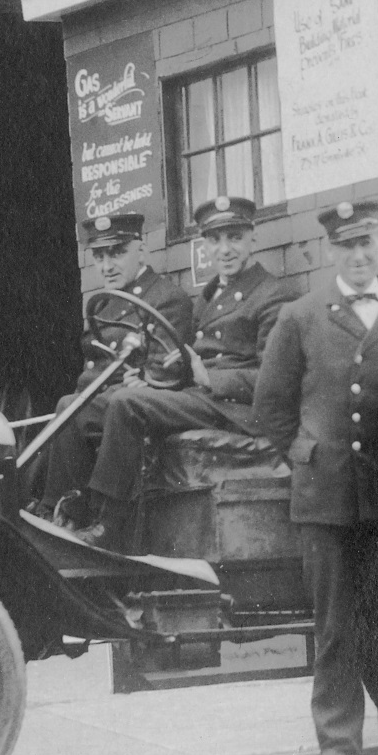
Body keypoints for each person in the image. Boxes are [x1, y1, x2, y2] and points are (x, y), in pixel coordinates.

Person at [254, 199, 378, 755]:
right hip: (330, 494)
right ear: (327, 252)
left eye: (367, 243)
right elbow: (271, 409)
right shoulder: (302, 316)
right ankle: (337, 748)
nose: (358, 255)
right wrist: (307, 454)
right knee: (336, 629)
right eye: (346, 246)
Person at [73, 196, 300, 551]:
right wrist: (153, 379)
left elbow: (276, 381)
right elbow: (187, 361)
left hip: (236, 410)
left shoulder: (274, 294)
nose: (224, 249)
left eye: (234, 237)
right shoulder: (211, 297)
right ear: (205, 245)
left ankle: (109, 526)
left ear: (253, 238)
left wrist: (210, 379)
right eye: (214, 240)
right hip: (202, 398)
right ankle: (66, 512)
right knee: (80, 407)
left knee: (127, 404)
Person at [31, 213, 193, 527]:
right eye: (100, 256)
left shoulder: (166, 299)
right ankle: (54, 509)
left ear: (141, 251)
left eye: (117, 253)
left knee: (70, 406)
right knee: (64, 411)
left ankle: (73, 514)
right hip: (99, 404)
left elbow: (166, 372)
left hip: (135, 408)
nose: (107, 266)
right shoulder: (104, 304)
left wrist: (144, 377)